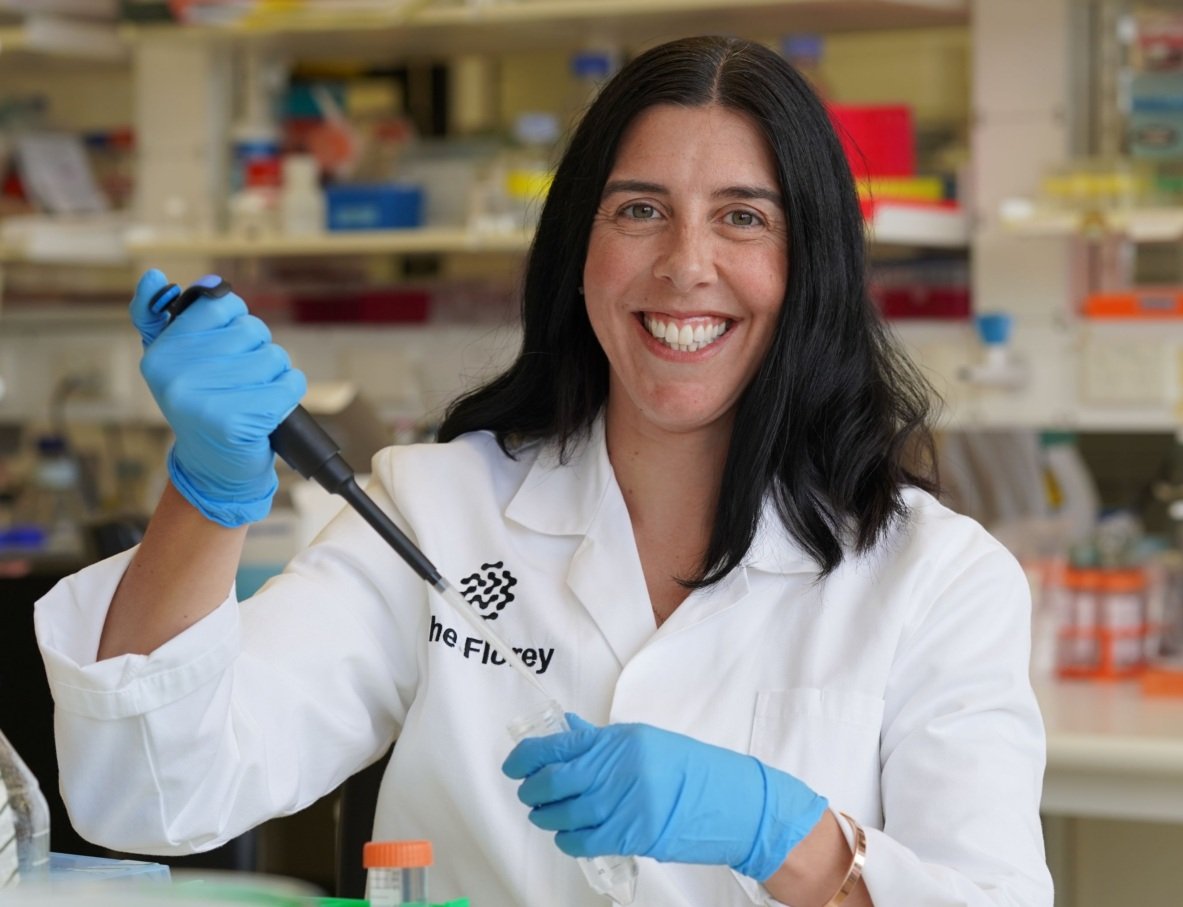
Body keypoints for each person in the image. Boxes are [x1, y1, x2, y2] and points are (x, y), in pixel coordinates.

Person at [34, 35, 1052, 907]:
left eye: (743, 216)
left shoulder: (935, 579)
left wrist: (780, 831)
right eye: (639, 210)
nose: (685, 263)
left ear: (812, 266)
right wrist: (209, 492)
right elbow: (158, 793)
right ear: (579, 249)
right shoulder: (437, 510)